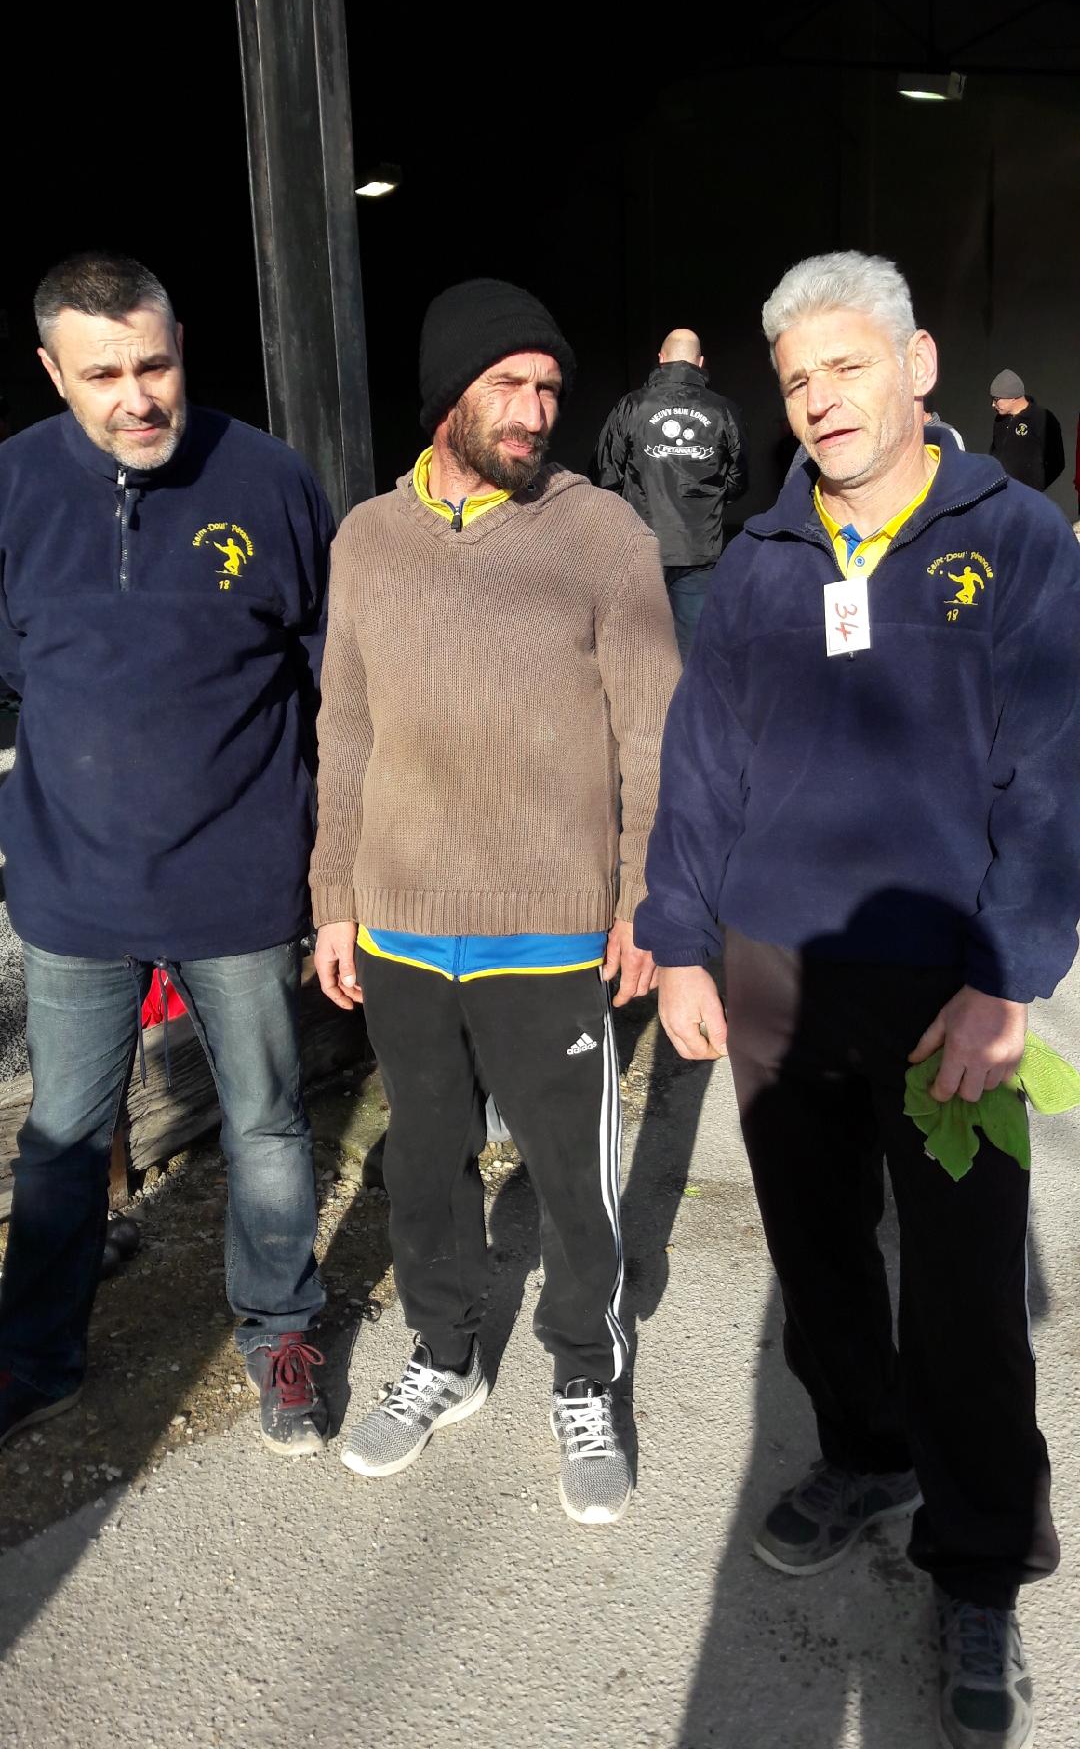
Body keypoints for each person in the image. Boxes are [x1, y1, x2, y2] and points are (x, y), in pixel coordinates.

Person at [635, 251, 1080, 1749]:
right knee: (819, 1254)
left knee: (965, 1284)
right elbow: (704, 755)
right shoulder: (764, 554)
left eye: (846, 366)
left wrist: (1008, 979)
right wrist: (678, 939)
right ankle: (867, 1450)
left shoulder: (1013, 539)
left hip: (947, 982)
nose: (821, 400)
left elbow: (1053, 773)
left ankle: (981, 1559)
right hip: (774, 970)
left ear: (918, 364)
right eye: (797, 379)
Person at [311, 278, 680, 1525]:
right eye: (508, 385)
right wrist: (332, 897)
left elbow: (652, 732)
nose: (535, 411)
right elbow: (345, 727)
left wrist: (645, 897)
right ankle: (445, 1354)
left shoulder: (602, 535)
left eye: (549, 388)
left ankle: (585, 1375)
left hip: (550, 925)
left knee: (572, 1176)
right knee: (425, 1163)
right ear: (447, 398)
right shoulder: (368, 539)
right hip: (402, 923)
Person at [0, 253, 335, 1457]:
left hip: (238, 881)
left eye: (154, 364)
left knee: (266, 1123)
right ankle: (35, 1359)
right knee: (62, 1141)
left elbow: (327, 671)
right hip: (74, 889)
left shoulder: (269, 479)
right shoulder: (14, 486)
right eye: (104, 376)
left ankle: (280, 1330)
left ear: (181, 344)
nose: (138, 397)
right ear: (54, 374)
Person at [594, 328, 747, 659]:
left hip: (642, 547)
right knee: (693, 650)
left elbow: (606, 475)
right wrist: (710, 501)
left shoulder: (631, 406)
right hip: (700, 548)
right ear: (701, 363)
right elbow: (739, 479)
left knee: (640, 648)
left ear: (661, 359)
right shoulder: (724, 410)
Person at [989, 369, 1064, 491]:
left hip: (1026, 495)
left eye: (996, 399)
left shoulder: (1042, 418)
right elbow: (995, 453)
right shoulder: (1000, 420)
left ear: (1012, 397)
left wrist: (1034, 489)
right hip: (1001, 493)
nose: (993, 404)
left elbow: (1057, 462)